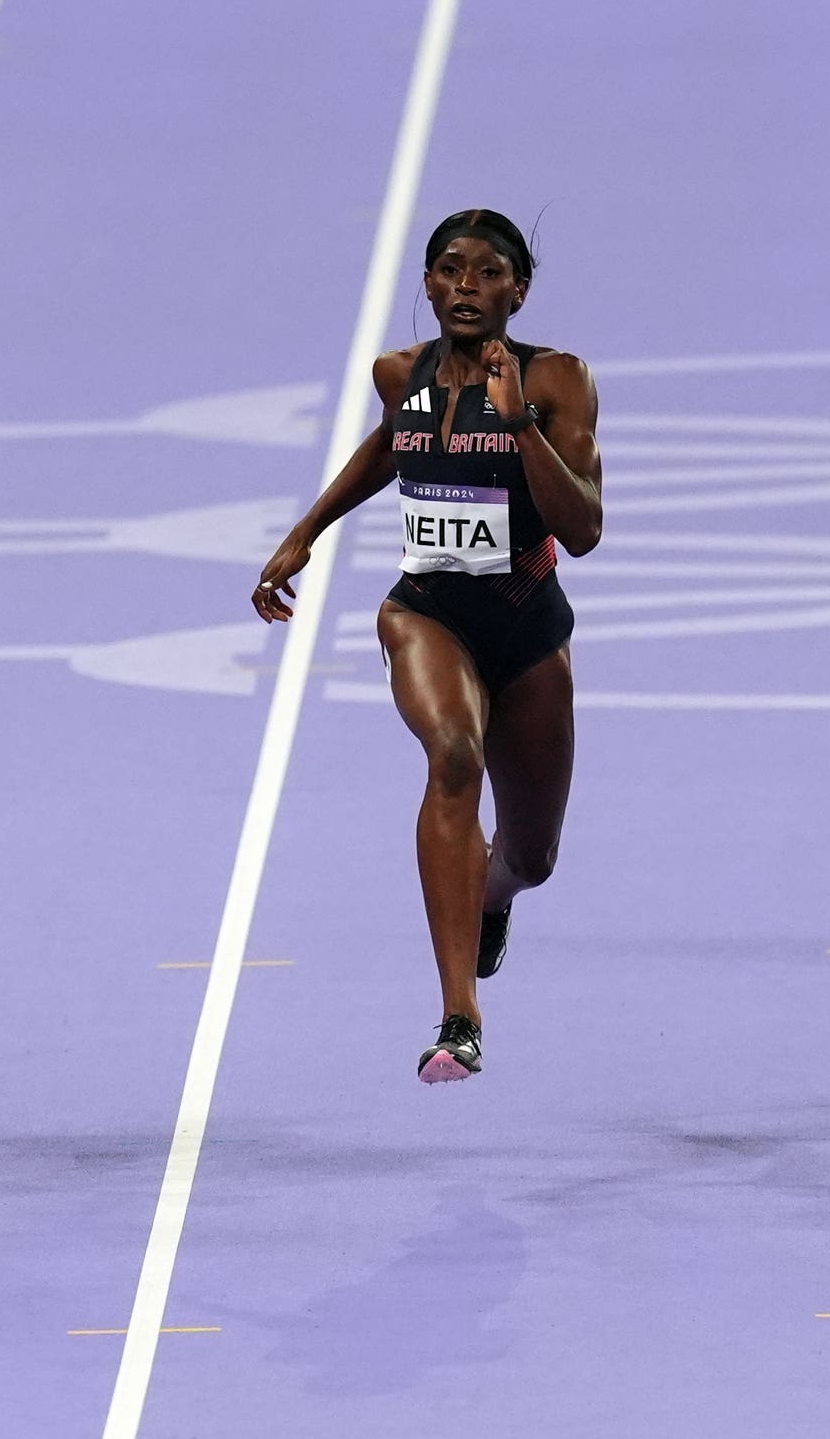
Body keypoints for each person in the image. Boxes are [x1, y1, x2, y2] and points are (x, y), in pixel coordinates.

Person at [252, 209, 603, 1082]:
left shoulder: (557, 380)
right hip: (425, 611)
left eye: (488, 274)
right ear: (428, 282)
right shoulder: (398, 373)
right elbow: (391, 443)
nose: (467, 289)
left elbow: (586, 529)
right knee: (453, 755)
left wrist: (519, 423)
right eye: (450, 271)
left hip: (528, 626)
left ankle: (493, 895)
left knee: (533, 855)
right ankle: (459, 1015)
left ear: (519, 290)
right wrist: (307, 530)